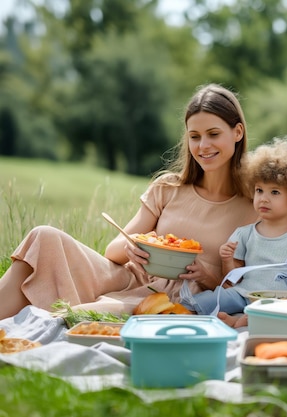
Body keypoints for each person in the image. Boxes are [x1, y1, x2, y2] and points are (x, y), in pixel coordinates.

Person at [0, 84, 259, 320]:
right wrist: (133, 247)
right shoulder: (168, 187)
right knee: (43, 237)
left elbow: (247, 287)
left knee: (77, 315)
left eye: (213, 134)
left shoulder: (254, 207)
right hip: (127, 277)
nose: (203, 145)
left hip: (177, 298)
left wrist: (207, 275)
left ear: (237, 132)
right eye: (195, 136)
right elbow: (112, 252)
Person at [180, 138, 287, 327]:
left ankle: (240, 320)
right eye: (259, 190)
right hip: (244, 294)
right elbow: (232, 281)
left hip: (283, 300)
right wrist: (227, 260)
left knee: (284, 312)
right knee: (210, 299)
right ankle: (238, 317)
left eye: (274, 192)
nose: (263, 199)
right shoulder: (244, 234)